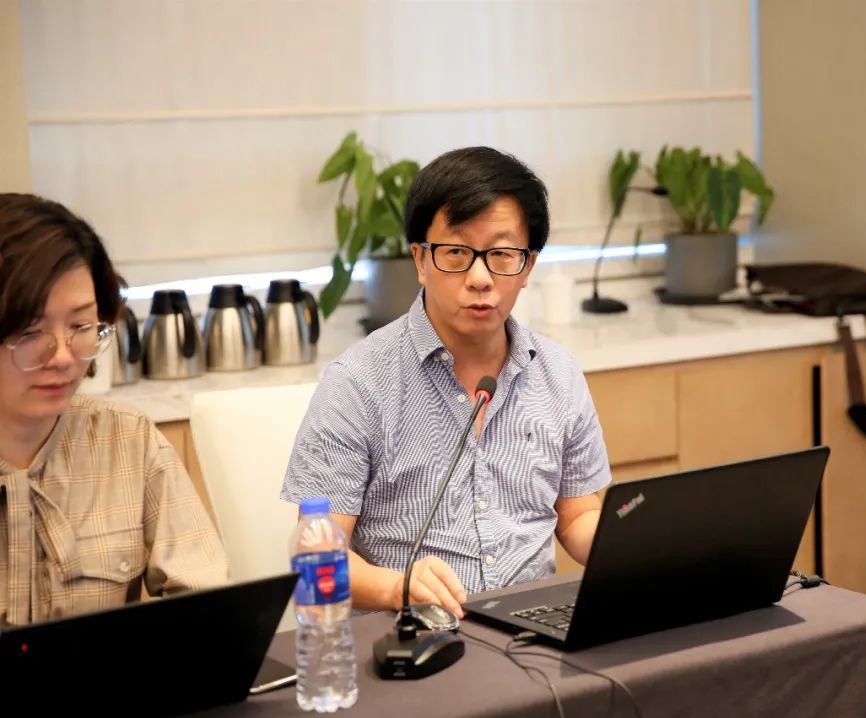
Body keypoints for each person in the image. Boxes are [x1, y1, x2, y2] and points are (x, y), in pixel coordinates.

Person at [282, 147, 611, 618]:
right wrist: (396, 588)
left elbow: (577, 515)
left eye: (502, 255)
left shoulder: (557, 373)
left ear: (528, 267)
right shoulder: (358, 384)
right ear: (420, 259)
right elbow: (315, 561)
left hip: (532, 631)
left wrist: (642, 550)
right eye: (457, 253)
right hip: (412, 636)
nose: (480, 278)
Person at [0, 193, 228, 627]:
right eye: (30, 332)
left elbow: (207, 609)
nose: (63, 356)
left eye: (81, 326)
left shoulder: (127, 441)